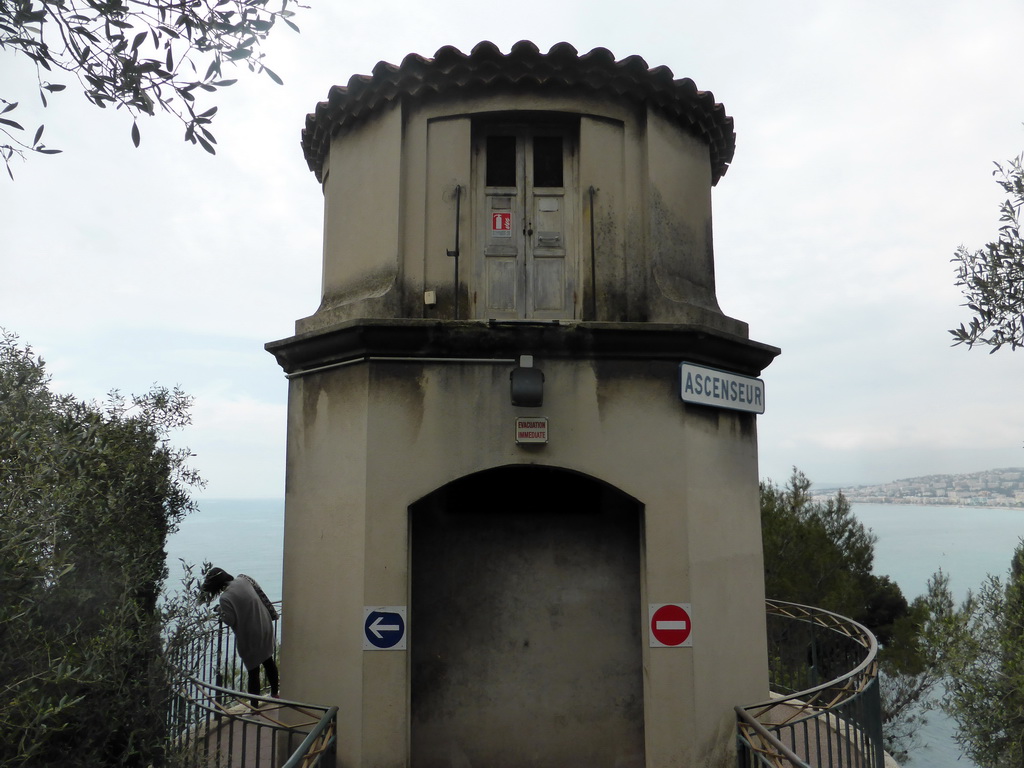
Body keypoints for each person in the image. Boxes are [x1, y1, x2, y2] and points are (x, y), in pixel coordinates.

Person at [201, 566, 280, 702]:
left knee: (253, 670)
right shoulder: (243, 579)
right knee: (268, 660)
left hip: (251, 635)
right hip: (265, 624)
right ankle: (275, 693)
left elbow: (230, 620)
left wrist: (221, 611)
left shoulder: (225, 598)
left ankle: (254, 707)